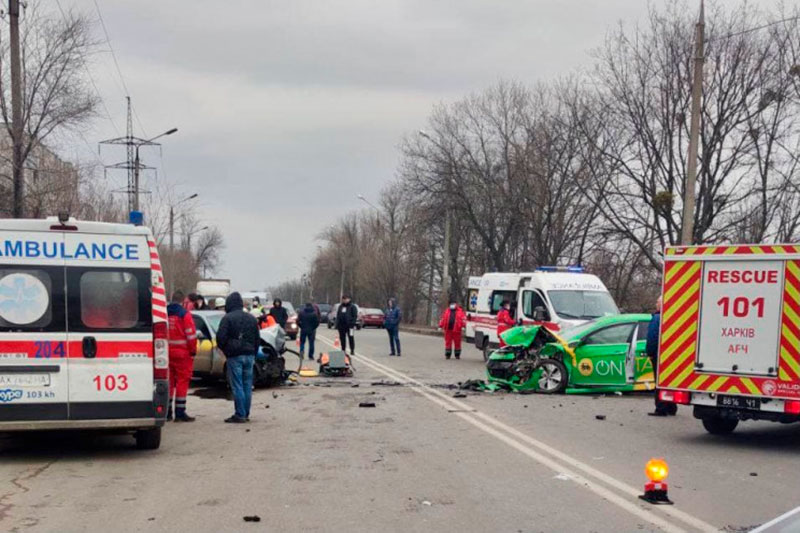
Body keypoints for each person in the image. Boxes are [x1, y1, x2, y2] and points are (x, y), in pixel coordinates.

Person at [216, 292, 260, 423]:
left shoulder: (227, 318)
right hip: (250, 355)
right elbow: (257, 338)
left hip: (235, 356)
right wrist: (254, 352)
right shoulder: (251, 318)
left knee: (237, 385)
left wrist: (226, 350)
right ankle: (245, 413)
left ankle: (240, 414)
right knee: (247, 385)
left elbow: (220, 338)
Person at [167, 290, 198, 422]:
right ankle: (180, 412)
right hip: (182, 354)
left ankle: (167, 412)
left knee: (168, 382)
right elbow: (191, 336)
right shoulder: (184, 315)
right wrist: (193, 351)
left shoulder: (163, 312)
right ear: (182, 301)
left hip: (166, 353)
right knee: (182, 382)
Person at [646, 296, 677, 417]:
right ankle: (671, 407)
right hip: (672, 355)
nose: (656, 304)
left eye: (657, 302)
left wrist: (650, 352)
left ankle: (661, 408)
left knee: (659, 382)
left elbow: (653, 337)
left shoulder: (657, 318)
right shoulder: (672, 317)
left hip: (659, 354)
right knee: (669, 381)